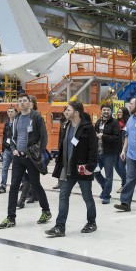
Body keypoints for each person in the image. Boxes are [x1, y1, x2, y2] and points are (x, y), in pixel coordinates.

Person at [0, 93, 52, 229]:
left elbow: (43, 138)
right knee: (14, 186)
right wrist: (13, 149)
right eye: (19, 101)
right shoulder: (16, 118)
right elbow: (13, 137)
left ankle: (46, 211)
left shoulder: (36, 117)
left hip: (31, 158)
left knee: (35, 184)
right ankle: (11, 217)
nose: (22, 103)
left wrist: (36, 153)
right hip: (18, 157)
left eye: (24, 101)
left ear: (29, 102)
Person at [46, 101, 98, 237]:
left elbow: (93, 149)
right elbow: (63, 146)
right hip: (67, 169)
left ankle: (91, 222)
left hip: (82, 168)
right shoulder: (65, 126)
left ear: (76, 112)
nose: (65, 112)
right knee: (63, 196)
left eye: (68, 110)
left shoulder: (87, 128)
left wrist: (90, 167)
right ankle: (59, 227)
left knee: (87, 197)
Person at [94, 103, 120, 204]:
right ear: (101, 111)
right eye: (104, 110)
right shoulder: (98, 122)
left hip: (109, 153)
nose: (106, 112)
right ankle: (106, 188)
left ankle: (106, 195)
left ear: (111, 111)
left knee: (109, 175)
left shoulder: (114, 123)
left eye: (108, 110)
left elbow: (116, 138)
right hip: (98, 152)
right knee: (95, 172)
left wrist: (103, 136)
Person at [0, 106, 17, 194]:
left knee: (17, 170)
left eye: (11, 111)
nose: (10, 113)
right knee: (4, 168)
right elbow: (4, 136)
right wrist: (3, 149)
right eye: (8, 112)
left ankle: (23, 184)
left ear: (15, 112)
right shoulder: (7, 123)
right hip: (7, 150)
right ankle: (3, 186)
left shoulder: (18, 123)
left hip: (15, 150)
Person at [115, 106, 130, 193]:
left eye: (121, 112)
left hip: (125, 148)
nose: (119, 114)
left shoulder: (128, 122)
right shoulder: (116, 122)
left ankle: (124, 185)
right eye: (118, 112)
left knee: (121, 166)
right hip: (116, 148)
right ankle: (128, 181)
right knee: (116, 166)